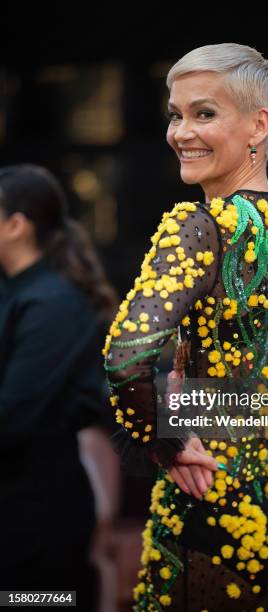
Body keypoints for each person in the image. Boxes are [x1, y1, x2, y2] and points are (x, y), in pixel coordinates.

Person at [104, 43, 268, 611]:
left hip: (215, 503)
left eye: (204, 113)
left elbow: (123, 360)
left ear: (259, 124)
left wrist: (168, 443)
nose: (181, 132)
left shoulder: (197, 226)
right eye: (175, 114)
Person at [0, 164, 118, 611]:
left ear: (16, 225)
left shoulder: (52, 305)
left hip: (36, 522)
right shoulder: (12, 293)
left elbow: (11, 417)